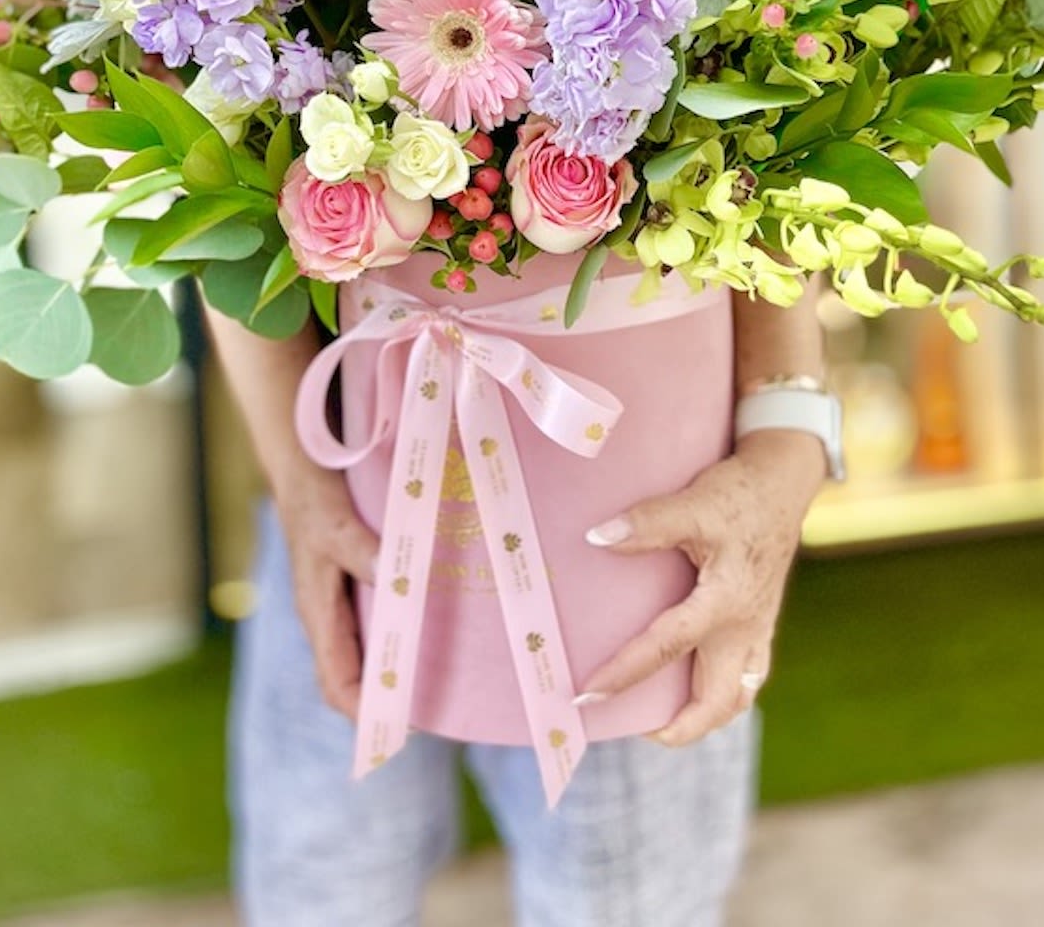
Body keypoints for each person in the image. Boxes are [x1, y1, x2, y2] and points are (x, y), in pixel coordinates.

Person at [208, 282, 836, 927]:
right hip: (355, 485)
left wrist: (788, 427)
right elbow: (195, 197)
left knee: (625, 896)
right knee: (321, 882)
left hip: (636, 504)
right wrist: (298, 480)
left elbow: (772, 186)